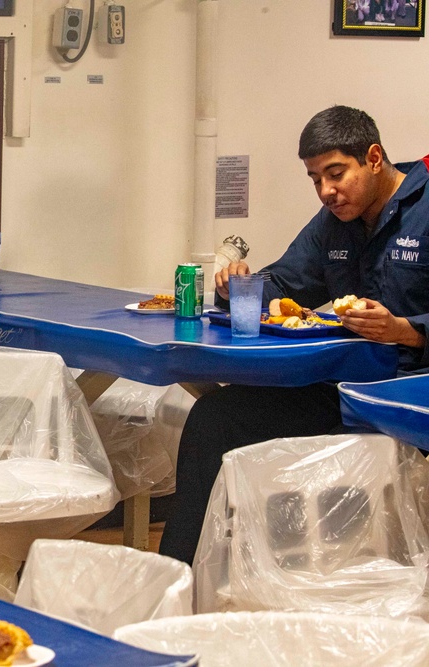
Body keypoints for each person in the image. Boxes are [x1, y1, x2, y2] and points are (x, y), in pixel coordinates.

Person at [159, 105, 429, 566]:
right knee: (215, 416)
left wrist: (406, 330)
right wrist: (239, 286)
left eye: (336, 173)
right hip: (343, 389)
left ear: (375, 158)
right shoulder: (335, 222)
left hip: (412, 395)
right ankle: (175, 580)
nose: (326, 191)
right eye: (314, 179)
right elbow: (284, 285)